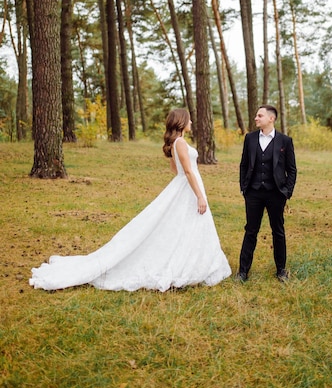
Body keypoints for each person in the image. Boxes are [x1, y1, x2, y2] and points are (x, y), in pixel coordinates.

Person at [29, 108, 231, 292]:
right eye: (189, 120)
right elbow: (186, 171)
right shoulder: (181, 143)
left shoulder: (175, 143)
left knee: (184, 226)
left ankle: (195, 262)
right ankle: (188, 265)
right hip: (189, 189)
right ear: (181, 122)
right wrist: (200, 196)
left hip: (184, 187)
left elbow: (175, 169)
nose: (192, 123)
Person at [236, 105, 297, 283]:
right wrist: (244, 188)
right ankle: (242, 272)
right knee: (250, 231)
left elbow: (292, 170)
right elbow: (244, 164)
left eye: (259, 115)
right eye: (256, 115)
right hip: (253, 193)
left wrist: (287, 192)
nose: (256, 118)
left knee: (278, 231)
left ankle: (281, 270)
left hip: (276, 194)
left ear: (271, 118)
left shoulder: (285, 141)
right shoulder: (250, 138)